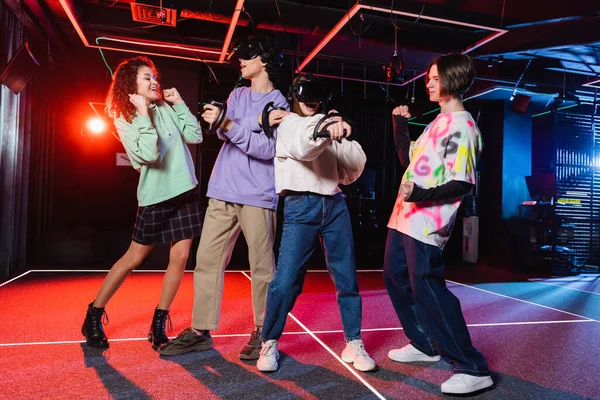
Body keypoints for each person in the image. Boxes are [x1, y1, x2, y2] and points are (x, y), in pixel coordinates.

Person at [158, 34, 288, 360]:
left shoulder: (281, 103)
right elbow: (218, 130)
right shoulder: (238, 94)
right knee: (206, 263)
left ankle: (264, 331)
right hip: (221, 190)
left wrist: (230, 124)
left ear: (265, 61)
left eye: (247, 56)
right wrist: (250, 122)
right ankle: (201, 331)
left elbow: (267, 149)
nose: (240, 61)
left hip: (258, 195)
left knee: (262, 268)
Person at [383, 53, 493, 394]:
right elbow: (409, 162)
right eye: (429, 77)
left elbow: (463, 183)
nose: (428, 82)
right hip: (404, 217)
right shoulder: (436, 123)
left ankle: (472, 366)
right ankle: (426, 344)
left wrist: (419, 191)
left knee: (428, 287)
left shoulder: (462, 126)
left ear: (452, 78)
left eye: (434, 77)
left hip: (428, 223)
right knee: (395, 277)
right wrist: (399, 125)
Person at [81, 56, 203, 350]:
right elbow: (149, 155)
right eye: (147, 78)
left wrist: (180, 103)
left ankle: (158, 322)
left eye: (154, 77)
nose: (154, 82)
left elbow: (195, 135)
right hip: (157, 196)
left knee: (181, 257)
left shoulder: (165, 107)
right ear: (131, 85)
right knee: (134, 258)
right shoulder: (125, 117)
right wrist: (143, 113)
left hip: (185, 190)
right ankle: (94, 314)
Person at [256, 74, 376, 373]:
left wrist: (341, 129)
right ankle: (268, 341)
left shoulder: (328, 121)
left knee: (347, 278)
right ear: (294, 95)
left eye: (316, 95)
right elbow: (303, 148)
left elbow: (355, 166)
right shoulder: (288, 124)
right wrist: (326, 128)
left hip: (335, 204)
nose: (311, 100)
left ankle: (354, 341)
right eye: (304, 94)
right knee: (286, 282)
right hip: (300, 206)